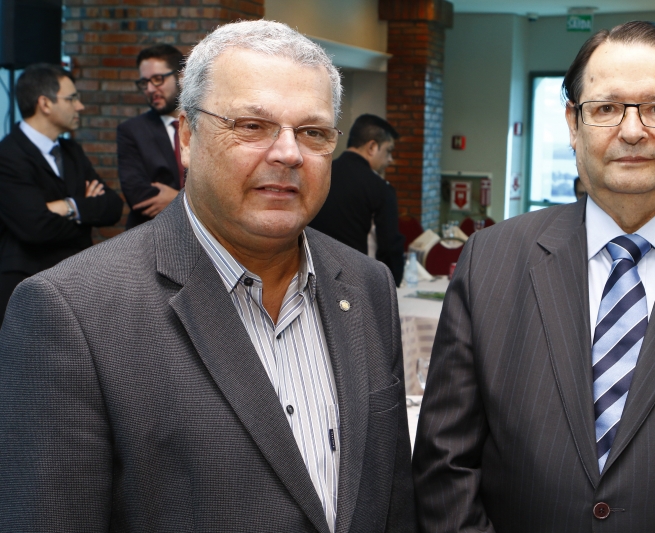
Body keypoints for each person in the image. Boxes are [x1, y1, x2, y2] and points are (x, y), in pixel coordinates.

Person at [0, 21, 414, 532]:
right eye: (251, 125)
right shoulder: (71, 312)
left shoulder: (367, 285)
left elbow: (392, 498)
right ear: (188, 139)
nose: (288, 153)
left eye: (312, 133)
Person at [413, 21, 655, 532]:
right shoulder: (493, 259)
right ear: (573, 125)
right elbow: (446, 465)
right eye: (606, 108)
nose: (633, 130)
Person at [0, 63, 123, 324]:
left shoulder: (72, 151)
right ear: (45, 103)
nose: (80, 107)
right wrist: (85, 212)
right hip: (26, 286)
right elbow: (35, 227)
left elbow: (112, 206)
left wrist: (66, 207)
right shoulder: (7, 155)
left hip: (77, 282)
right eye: (72, 98)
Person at [309, 114, 405, 285]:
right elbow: (389, 248)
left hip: (312, 278)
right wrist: (394, 283)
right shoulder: (380, 189)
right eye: (388, 150)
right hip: (358, 284)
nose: (390, 159)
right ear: (372, 147)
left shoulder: (319, 175)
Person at [117, 44, 185, 228]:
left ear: (181, 77)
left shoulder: (205, 124)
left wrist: (178, 198)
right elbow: (138, 195)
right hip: (152, 233)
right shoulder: (132, 131)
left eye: (157, 79)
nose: (149, 89)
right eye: (144, 82)